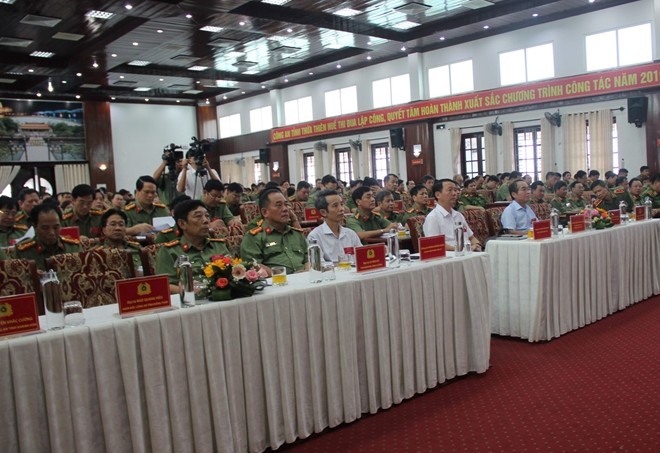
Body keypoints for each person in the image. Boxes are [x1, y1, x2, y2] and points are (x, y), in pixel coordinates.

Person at [156, 200, 231, 294]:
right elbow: (163, 285)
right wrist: (185, 290)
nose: (205, 221)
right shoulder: (170, 251)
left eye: (207, 216)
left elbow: (233, 273)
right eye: (198, 216)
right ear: (182, 224)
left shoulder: (219, 246)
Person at [240, 188, 309, 276]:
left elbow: (308, 259)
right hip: (275, 283)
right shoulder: (254, 237)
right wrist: (283, 276)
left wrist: (306, 273)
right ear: (265, 212)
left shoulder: (296, 233)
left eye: (286, 205)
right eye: (279, 205)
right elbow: (254, 265)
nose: (285, 209)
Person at [13, 204, 82, 268]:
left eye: (56, 227)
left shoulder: (73, 247)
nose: (51, 233)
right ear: (35, 227)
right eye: (45, 228)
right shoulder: (23, 251)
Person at [422, 179, 481, 251]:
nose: (454, 193)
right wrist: (461, 249)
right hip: (450, 256)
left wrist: (477, 245)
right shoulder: (433, 217)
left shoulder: (459, 215)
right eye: (450, 190)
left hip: (467, 253)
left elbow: (471, 237)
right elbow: (434, 244)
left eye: (455, 190)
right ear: (438, 195)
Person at [306, 190, 362, 263]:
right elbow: (318, 265)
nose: (342, 209)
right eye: (335, 206)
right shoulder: (315, 236)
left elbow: (362, 257)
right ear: (323, 212)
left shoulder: (350, 234)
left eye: (341, 204)